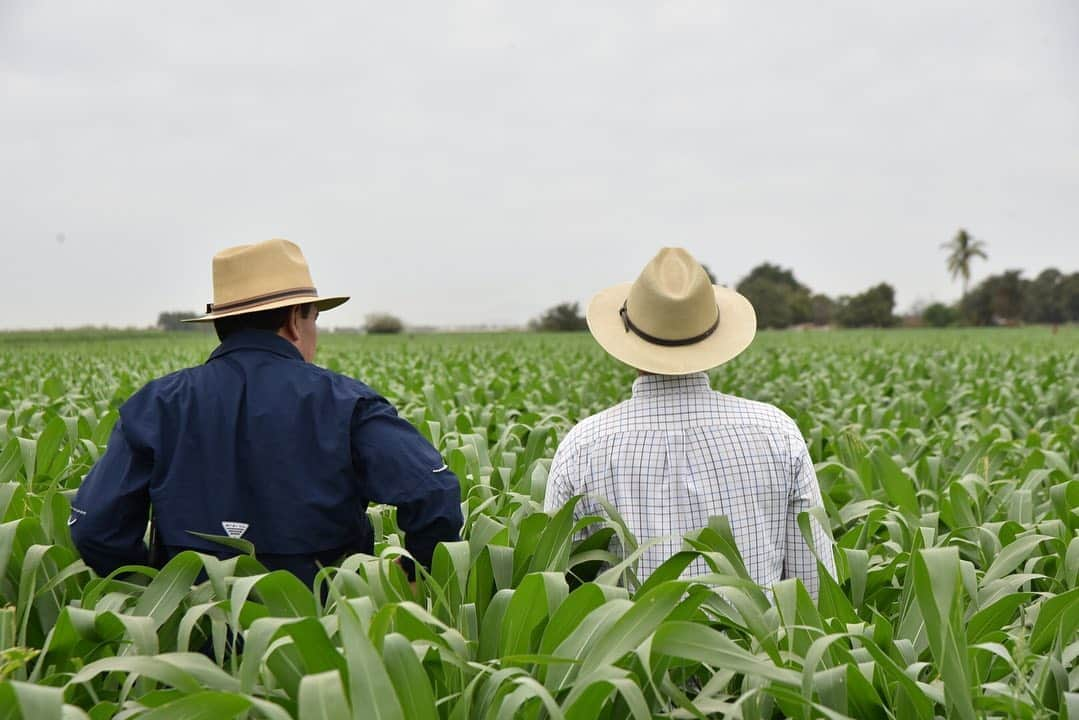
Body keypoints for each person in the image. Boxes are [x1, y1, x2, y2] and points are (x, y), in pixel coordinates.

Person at [70, 238, 462, 586]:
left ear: (221, 325)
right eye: (314, 318)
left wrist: (158, 589)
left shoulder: (157, 404)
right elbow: (433, 491)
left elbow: (93, 528)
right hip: (321, 642)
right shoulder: (346, 402)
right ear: (294, 320)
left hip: (190, 646)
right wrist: (414, 575)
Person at [543, 248, 835, 597]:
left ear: (629, 340)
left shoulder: (583, 445)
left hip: (629, 650)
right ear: (712, 337)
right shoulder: (777, 432)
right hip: (757, 650)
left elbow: (560, 589)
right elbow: (815, 586)